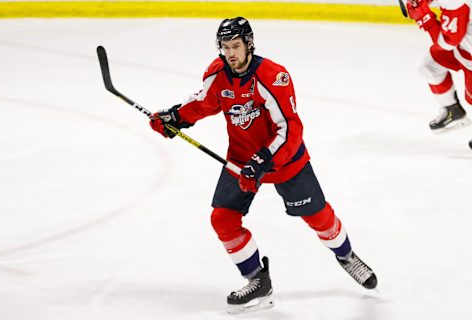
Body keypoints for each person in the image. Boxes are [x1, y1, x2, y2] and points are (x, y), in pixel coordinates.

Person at [149, 17, 377, 314]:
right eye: (225, 46)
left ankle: (346, 256)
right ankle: (258, 281)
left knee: (318, 216)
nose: (230, 53)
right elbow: (204, 103)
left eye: (235, 46)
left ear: (249, 44)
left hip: (283, 161)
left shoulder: (273, 76)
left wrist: (264, 161)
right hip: (241, 160)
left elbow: (291, 130)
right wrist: (175, 119)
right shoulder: (218, 74)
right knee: (222, 219)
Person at [407, 0, 472, 132]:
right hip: (463, 48)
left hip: (466, 52)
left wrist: (425, 19)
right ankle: (453, 111)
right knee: (428, 67)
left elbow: (449, 42)